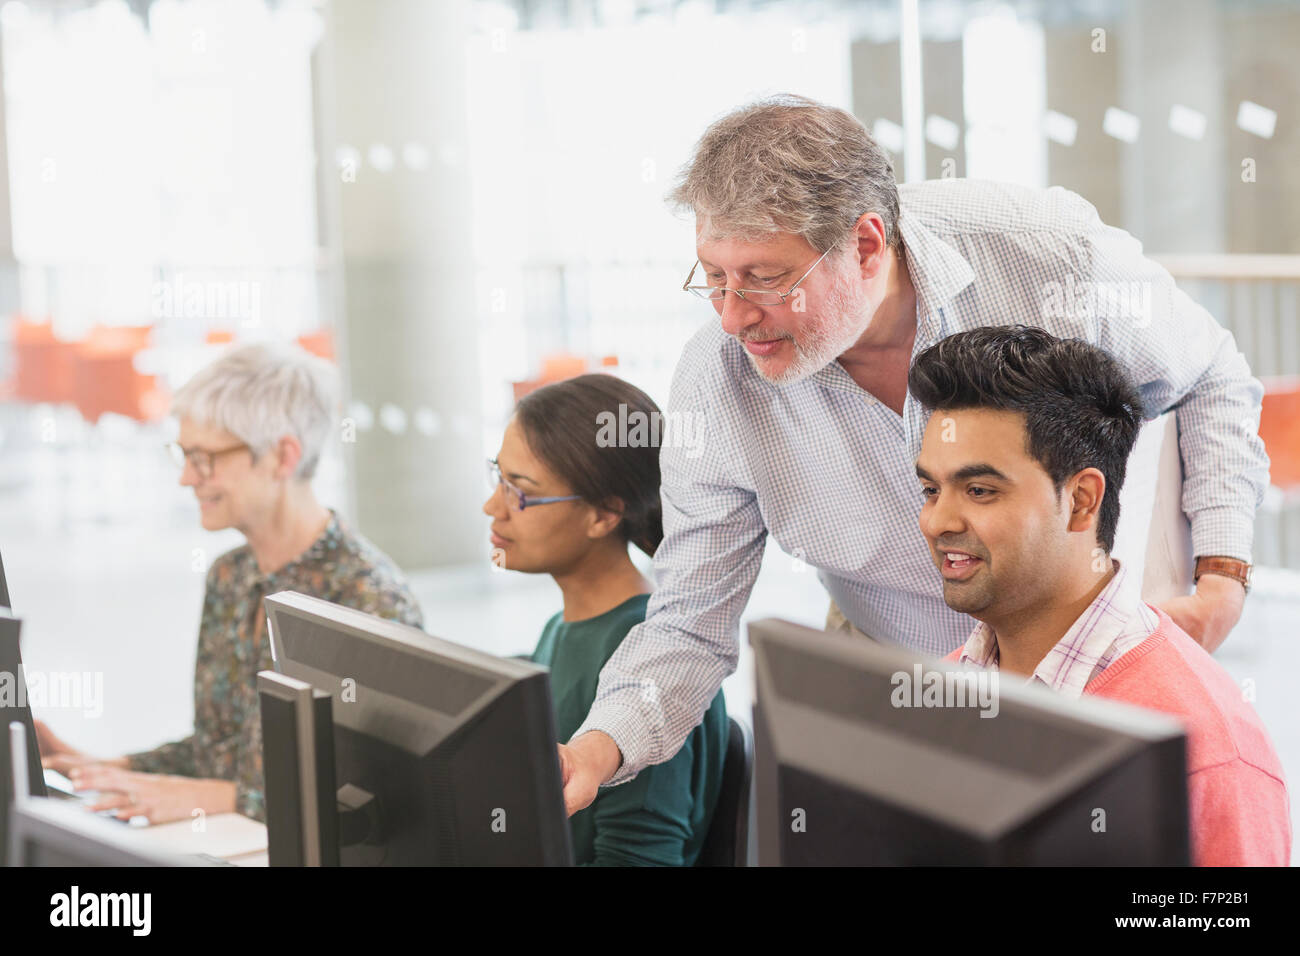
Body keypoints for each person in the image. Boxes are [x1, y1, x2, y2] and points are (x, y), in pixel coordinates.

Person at [558, 94, 1269, 815]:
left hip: (1090, 662)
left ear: (866, 245)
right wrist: (592, 750)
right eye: (713, 277)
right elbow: (689, 621)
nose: (734, 315)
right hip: (900, 669)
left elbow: (1212, 376)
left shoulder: (1048, 255)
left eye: (765, 279)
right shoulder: (719, 379)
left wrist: (1222, 578)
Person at [910, 325, 1290, 866]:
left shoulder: (1206, 749)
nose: (937, 520)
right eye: (931, 489)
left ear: (1082, 501)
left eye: (979, 491)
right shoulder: (942, 693)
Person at [37, 343, 423, 824]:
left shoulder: (371, 599)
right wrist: (107, 768)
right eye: (184, 454)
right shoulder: (230, 574)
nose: (185, 478)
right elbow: (222, 754)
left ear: (283, 456)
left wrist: (211, 800)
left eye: (205, 458)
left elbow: (373, 804)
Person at [484, 374, 727, 865]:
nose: (492, 508)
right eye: (498, 478)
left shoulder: (651, 662)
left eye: (521, 493)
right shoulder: (562, 627)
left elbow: (640, 859)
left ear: (604, 515)